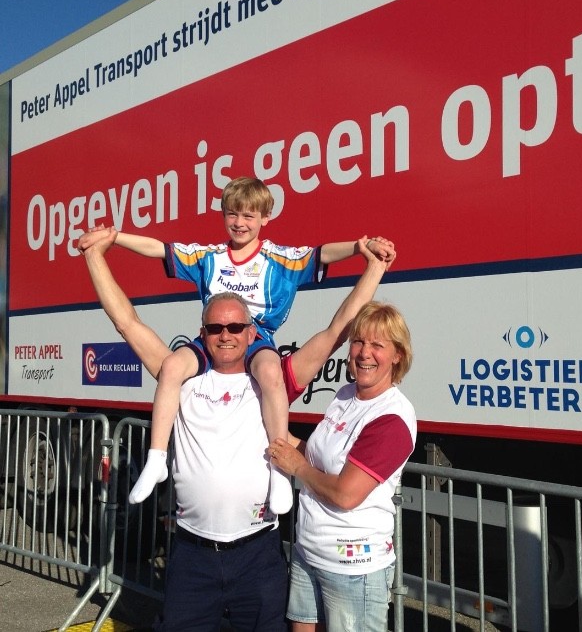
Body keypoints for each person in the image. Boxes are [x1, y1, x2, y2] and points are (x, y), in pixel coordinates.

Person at [80, 227, 393, 631]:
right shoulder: (184, 377)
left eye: (234, 328)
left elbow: (337, 331)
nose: (225, 336)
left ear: (251, 332)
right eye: (215, 329)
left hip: (257, 556)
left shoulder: (275, 378)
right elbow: (127, 322)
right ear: (202, 334)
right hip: (192, 556)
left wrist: (374, 268)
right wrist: (94, 256)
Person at [78, 176, 395, 514]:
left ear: (265, 218)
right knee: (171, 366)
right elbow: (143, 287)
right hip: (192, 532)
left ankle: (278, 470)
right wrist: (110, 240)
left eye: (248, 216)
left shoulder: (279, 264)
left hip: (257, 527)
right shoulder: (191, 376)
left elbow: (333, 312)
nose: (240, 223)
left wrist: (364, 253)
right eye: (232, 214)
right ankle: (157, 459)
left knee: (270, 372)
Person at [269, 301, 416, 632]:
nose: (364, 353)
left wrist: (297, 467)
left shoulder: (392, 417)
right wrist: (278, 434)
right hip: (309, 554)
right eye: (359, 341)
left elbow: (347, 494)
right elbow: (318, 457)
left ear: (397, 355)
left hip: (353, 569)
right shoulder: (346, 395)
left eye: (377, 345)